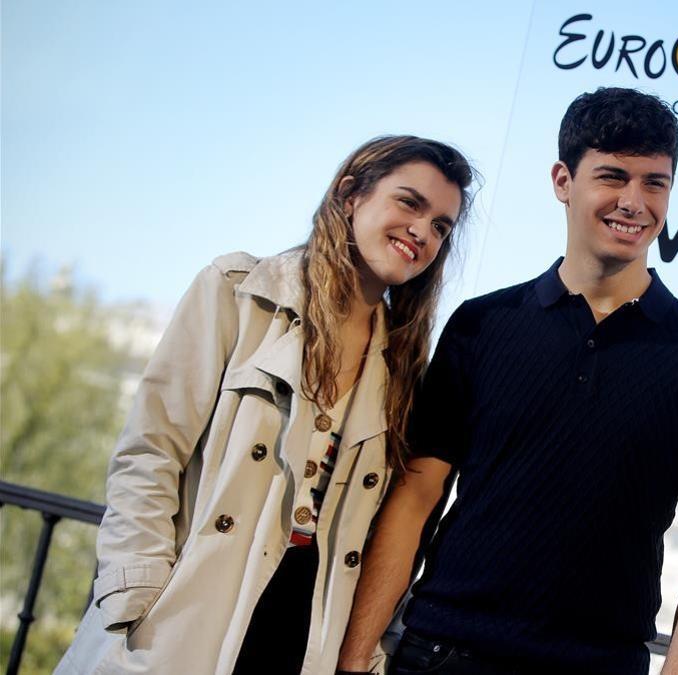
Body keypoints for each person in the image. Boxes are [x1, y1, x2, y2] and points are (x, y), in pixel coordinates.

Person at [337, 88, 678, 675]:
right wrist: (355, 656)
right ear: (563, 180)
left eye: (654, 183)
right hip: (441, 654)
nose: (634, 202)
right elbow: (415, 499)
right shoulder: (482, 325)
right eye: (612, 177)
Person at [55, 135, 475, 675]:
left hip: (304, 627)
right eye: (409, 203)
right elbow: (151, 450)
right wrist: (134, 590)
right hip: (188, 608)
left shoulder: (404, 364)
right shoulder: (239, 293)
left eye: (442, 225)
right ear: (350, 195)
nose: (423, 231)